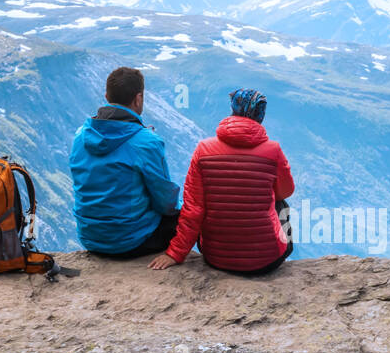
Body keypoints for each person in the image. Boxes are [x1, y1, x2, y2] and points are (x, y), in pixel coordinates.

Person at [149, 89, 294, 275]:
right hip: (267, 261)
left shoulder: (203, 149)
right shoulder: (273, 151)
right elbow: (286, 191)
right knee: (281, 204)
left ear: (232, 110)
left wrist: (175, 253)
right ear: (261, 115)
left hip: (216, 258)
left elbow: (193, 209)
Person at [69, 67, 181, 259]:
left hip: (90, 238)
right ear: (138, 99)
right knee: (186, 214)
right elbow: (166, 203)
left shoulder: (81, 135)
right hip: (131, 242)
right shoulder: (146, 142)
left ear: (106, 96)